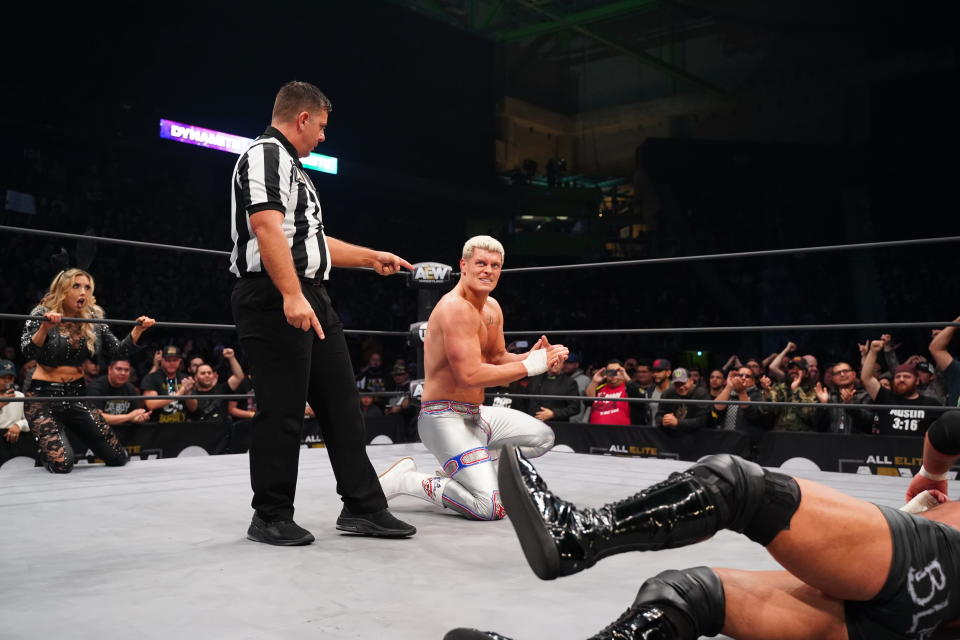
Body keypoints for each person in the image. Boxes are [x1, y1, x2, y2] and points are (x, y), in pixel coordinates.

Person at [446, 437, 960, 640]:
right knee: (688, 595)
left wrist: (933, 473)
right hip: (921, 621)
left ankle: (578, 534)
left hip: (935, 565)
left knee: (740, 486)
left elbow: (948, 428)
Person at [229, 80, 415, 545]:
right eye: (323, 127)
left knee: (341, 405)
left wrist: (372, 257)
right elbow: (266, 229)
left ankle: (364, 508)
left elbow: (310, 241)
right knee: (283, 410)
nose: (324, 137)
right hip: (275, 296)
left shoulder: (295, 170)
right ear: (303, 118)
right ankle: (269, 516)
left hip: (312, 295)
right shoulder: (264, 155)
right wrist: (291, 295)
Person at [377, 236, 567, 521]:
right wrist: (530, 368)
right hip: (443, 418)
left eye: (495, 265)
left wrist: (533, 357)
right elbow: (469, 376)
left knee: (542, 437)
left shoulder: (492, 308)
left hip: (476, 416)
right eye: (481, 263)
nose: (488, 270)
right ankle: (408, 481)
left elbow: (498, 358)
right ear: (463, 266)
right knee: (489, 508)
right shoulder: (454, 308)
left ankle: (462, 470)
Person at [19, 268, 155, 473]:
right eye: (76, 286)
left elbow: (118, 351)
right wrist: (45, 328)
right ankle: (46, 452)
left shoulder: (92, 318)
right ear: (63, 289)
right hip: (43, 398)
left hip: (77, 396)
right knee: (63, 464)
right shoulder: (42, 312)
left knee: (118, 457)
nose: (83, 292)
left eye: (87, 287)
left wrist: (138, 330)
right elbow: (28, 350)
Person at [862, 340, 942, 437]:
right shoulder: (886, 397)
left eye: (907, 376)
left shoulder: (931, 403)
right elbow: (866, 378)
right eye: (897, 376)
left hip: (916, 451)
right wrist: (873, 352)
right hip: (887, 451)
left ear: (917, 381)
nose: (901, 379)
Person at [86, 358, 151, 426]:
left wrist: (139, 418)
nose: (123, 373)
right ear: (110, 370)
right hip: (102, 432)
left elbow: (134, 415)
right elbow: (97, 418)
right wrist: (129, 416)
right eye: (119, 369)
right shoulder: (95, 387)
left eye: (126, 370)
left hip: (126, 432)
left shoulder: (131, 389)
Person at [813, 361, 873, 434]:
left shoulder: (865, 395)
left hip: (858, 441)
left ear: (854, 374)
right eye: (838, 373)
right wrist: (824, 405)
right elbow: (818, 425)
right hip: (832, 441)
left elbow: (868, 421)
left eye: (845, 371)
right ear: (833, 378)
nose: (842, 374)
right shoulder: (827, 396)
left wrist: (851, 406)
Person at [141, 345, 197, 422]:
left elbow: (193, 408)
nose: (171, 363)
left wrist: (188, 393)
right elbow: (151, 404)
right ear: (162, 360)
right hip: (157, 427)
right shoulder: (151, 378)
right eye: (168, 360)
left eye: (175, 360)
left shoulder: (186, 379)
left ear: (180, 361)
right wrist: (179, 394)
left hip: (181, 427)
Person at [189, 348, 245, 423]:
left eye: (209, 373)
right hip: (200, 431)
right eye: (203, 373)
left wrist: (231, 358)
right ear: (195, 377)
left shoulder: (222, 388)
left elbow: (239, 377)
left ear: (213, 375)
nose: (207, 375)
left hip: (222, 431)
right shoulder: (192, 394)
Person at [518, 358, 581, 423]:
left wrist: (553, 414)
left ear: (563, 364)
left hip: (557, 425)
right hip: (532, 423)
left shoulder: (569, 382)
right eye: (553, 361)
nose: (555, 364)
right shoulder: (535, 378)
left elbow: (575, 408)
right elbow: (523, 400)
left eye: (558, 362)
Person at [586, 360, 647, 426]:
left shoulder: (629, 387)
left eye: (617, 371)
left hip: (623, 433)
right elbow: (587, 402)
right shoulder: (600, 388)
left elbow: (641, 399)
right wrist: (594, 382)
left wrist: (626, 378)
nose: (613, 374)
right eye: (610, 371)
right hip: (595, 432)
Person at [0, 359, 34, 465]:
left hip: (16, 437)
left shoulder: (20, 396)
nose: (7, 381)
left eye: (10, 378)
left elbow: (30, 419)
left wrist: (18, 425)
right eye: (2, 378)